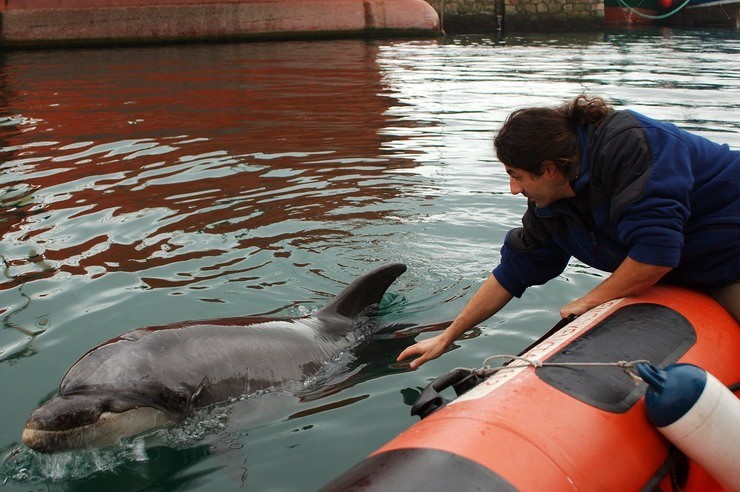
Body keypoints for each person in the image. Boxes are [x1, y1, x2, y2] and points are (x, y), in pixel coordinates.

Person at [398, 95, 740, 370]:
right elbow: (513, 271)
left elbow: (655, 254)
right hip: (691, 271)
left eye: (516, 175)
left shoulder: (629, 145)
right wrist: (449, 335)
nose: (513, 188)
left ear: (548, 170)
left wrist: (588, 301)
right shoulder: (551, 204)